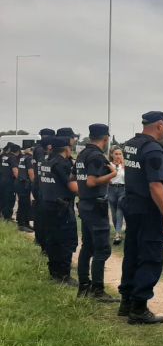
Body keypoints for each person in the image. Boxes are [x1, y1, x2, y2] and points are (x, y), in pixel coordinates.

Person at [118, 111, 163, 325]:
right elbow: (155, 185)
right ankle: (139, 307)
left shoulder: (131, 144)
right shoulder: (152, 149)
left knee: (132, 253)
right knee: (150, 256)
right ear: (159, 125)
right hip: (148, 210)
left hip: (132, 206)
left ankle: (126, 301)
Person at [76, 124, 120, 301]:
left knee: (87, 247)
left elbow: (75, 179)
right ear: (106, 138)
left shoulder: (82, 154)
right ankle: (98, 290)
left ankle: (83, 287)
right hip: (95, 206)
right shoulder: (96, 156)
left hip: (85, 205)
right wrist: (113, 174)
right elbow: (92, 182)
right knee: (102, 250)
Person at [38, 136, 79, 284]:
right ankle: (64, 275)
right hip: (61, 208)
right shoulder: (61, 164)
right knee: (66, 241)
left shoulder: (45, 161)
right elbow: (71, 185)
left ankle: (54, 272)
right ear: (67, 148)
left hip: (47, 205)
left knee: (52, 240)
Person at [107, 147, 126, 244]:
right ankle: (117, 231)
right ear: (111, 155)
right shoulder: (109, 165)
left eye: (120, 154)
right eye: (116, 154)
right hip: (111, 189)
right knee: (114, 214)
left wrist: (123, 166)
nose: (118, 156)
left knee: (120, 210)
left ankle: (117, 234)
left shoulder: (125, 166)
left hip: (122, 189)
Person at [15, 147, 35, 232]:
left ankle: (25, 223)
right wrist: (35, 184)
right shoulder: (30, 158)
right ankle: (22, 224)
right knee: (24, 204)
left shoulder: (23, 157)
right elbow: (31, 173)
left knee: (24, 203)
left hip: (20, 183)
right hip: (24, 184)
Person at [0, 143, 20, 221]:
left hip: (2, 180)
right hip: (9, 182)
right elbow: (15, 171)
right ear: (17, 151)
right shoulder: (12, 157)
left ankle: (2, 215)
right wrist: (19, 181)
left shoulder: (3, 156)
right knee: (10, 199)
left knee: (2, 198)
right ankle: (7, 218)